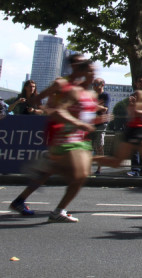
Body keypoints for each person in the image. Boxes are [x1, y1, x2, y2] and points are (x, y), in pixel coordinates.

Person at [9, 57, 103, 222]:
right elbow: (39, 100)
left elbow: (81, 107)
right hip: (58, 129)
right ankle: (54, 203)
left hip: (72, 131)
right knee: (73, 173)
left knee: (50, 171)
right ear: (74, 65)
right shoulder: (62, 83)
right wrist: (48, 109)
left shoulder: (81, 88)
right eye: (80, 64)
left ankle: (21, 199)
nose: (84, 68)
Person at [93, 66, 142, 194]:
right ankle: (88, 159)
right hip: (135, 131)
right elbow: (133, 111)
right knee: (120, 162)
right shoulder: (139, 93)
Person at [91, 77, 110, 174]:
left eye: (96, 84)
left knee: (99, 145)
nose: (94, 86)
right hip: (92, 123)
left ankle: (99, 168)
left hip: (102, 123)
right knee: (91, 145)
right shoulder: (92, 96)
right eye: (93, 84)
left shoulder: (105, 95)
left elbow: (104, 109)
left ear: (102, 85)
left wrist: (94, 106)